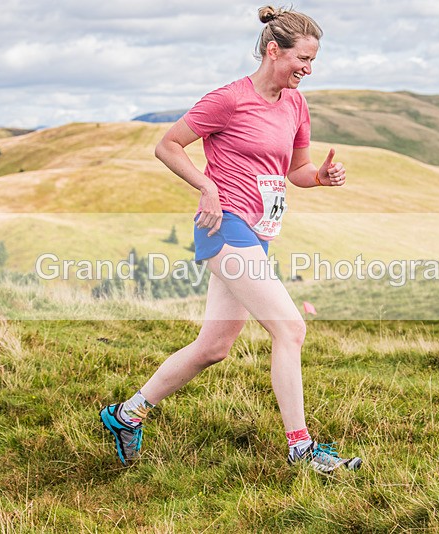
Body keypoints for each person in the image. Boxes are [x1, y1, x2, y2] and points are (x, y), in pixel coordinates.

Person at [100, 5, 362, 474]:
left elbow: (295, 170)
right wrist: (207, 185)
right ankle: (302, 450)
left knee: (214, 346)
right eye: (302, 58)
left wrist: (320, 177)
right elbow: (167, 145)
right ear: (272, 49)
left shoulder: (296, 105)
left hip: (257, 233)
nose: (308, 68)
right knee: (290, 328)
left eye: (314, 61)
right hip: (224, 228)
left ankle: (126, 415)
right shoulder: (228, 99)